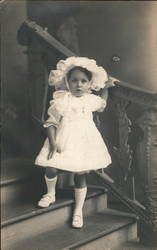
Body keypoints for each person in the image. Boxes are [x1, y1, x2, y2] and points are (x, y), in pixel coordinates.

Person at [35, 56, 115, 228]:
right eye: (74, 80)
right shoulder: (62, 99)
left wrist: (106, 87)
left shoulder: (90, 99)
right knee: (51, 166)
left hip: (84, 141)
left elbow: (102, 104)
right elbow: (50, 122)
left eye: (83, 81)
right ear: (67, 81)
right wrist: (53, 142)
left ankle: (78, 211)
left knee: (80, 174)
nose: (79, 85)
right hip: (63, 138)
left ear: (89, 84)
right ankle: (50, 193)